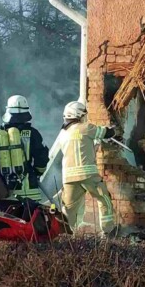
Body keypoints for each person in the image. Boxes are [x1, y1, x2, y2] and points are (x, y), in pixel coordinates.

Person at [0, 95, 49, 222]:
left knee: (2, 227)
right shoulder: (33, 133)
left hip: (2, 193)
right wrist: (37, 173)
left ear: (8, 112)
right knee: (29, 228)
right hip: (29, 195)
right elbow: (42, 158)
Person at [53, 100, 116, 237]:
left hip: (68, 177)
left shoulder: (63, 133)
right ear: (79, 115)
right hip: (88, 175)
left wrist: (94, 144)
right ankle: (108, 231)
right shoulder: (85, 128)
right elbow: (107, 133)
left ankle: (64, 235)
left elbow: (79, 146)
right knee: (104, 199)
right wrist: (113, 129)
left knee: (69, 208)